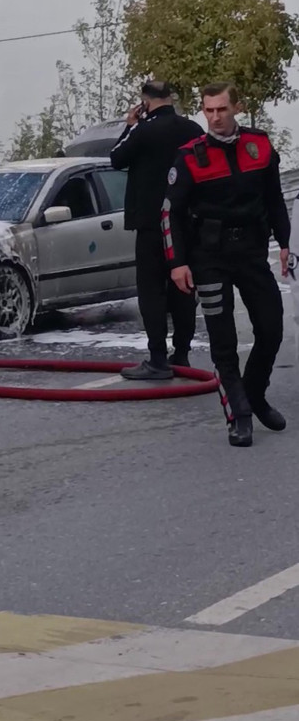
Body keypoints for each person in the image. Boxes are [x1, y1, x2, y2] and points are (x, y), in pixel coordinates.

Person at [163, 83, 291, 447]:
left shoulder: (259, 145)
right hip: (208, 257)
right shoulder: (190, 156)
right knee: (224, 341)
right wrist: (177, 263)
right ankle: (239, 415)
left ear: (236, 107)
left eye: (222, 109)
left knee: (272, 328)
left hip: (251, 251)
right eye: (209, 110)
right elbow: (170, 213)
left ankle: (254, 393)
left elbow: (275, 199)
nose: (216, 117)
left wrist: (286, 243)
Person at [110, 80, 203, 381]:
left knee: (151, 290)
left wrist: (131, 125)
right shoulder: (192, 129)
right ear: (170, 98)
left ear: (145, 102)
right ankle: (183, 353)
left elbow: (116, 158)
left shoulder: (143, 130)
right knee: (183, 287)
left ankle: (158, 358)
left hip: (151, 222)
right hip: (185, 221)